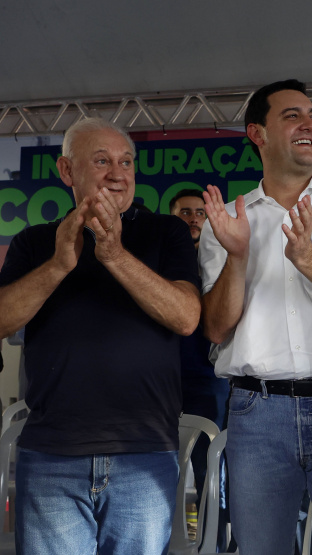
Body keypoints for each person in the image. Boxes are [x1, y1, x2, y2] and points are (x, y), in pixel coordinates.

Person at [198, 79, 312, 555]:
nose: (309, 125)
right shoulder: (229, 221)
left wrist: (307, 257)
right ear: (257, 134)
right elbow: (216, 328)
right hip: (257, 415)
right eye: (293, 116)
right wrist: (237, 256)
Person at [0, 118, 200, 555]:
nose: (117, 172)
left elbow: (186, 317)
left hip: (144, 454)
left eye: (126, 162)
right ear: (67, 172)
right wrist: (57, 265)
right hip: (51, 455)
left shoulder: (165, 232)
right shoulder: (35, 242)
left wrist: (114, 255)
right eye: (102, 161)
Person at [168, 187, 232, 548]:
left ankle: (215, 545)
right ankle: (169, 543)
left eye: (199, 213)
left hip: (211, 381)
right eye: (184, 213)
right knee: (164, 468)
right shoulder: (161, 263)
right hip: (165, 381)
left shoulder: (221, 261)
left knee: (213, 469)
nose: (193, 219)